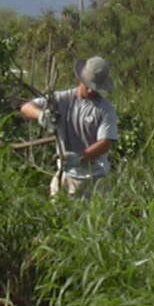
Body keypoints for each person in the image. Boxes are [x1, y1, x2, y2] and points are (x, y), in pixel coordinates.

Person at [19, 56, 119, 200]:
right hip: (65, 175)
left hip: (93, 178)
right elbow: (26, 107)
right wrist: (41, 115)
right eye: (88, 86)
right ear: (81, 80)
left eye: (95, 87)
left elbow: (105, 143)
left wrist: (80, 157)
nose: (91, 91)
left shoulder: (105, 109)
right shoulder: (62, 99)